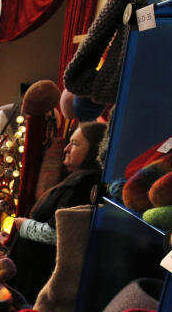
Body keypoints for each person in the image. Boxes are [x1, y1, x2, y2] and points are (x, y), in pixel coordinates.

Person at [9, 121, 107, 301]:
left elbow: (62, 235)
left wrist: (24, 226)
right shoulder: (79, 178)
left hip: (39, 277)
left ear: (95, 149)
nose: (66, 149)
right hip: (32, 275)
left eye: (75, 144)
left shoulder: (85, 184)